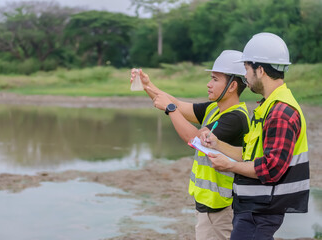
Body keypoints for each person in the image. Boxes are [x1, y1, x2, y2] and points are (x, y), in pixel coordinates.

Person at [200, 33, 309, 240]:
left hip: (262, 210)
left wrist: (228, 166)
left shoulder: (280, 112)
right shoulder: (267, 107)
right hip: (253, 208)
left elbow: (270, 169)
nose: (245, 76)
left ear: (260, 70)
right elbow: (251, 155)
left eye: (247, 69)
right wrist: (218, 144)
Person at [131, 50, 250, 240]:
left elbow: (195, 139)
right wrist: (147, 85)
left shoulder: (235, 117)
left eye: (214, 79)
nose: (208, 84)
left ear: (232, 86)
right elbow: (177, 103)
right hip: (208, 204)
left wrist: (170, 110)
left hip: (220, 206)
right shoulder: (214, 109)